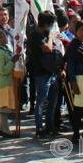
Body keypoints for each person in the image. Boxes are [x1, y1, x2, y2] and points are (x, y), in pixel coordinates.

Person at [28, 11, 62, 140]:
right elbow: (47, 48)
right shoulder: (35, 35)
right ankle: (39, 127)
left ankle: (50, 126)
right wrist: (51, 37)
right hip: (41, 72)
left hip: (51, 71)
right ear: (47, 24)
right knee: (41, 101)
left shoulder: (46, 34)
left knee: (53, 101)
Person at [0, 27, 18, 138]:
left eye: (4, 36)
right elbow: (1, 70)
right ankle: (5, 130)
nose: (4, 38)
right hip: (3, 82)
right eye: (0, 37)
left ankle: (3, 129)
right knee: (3, 107)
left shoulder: (6, 49)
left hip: (9, 81)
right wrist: (12, 61)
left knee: (5, 106)